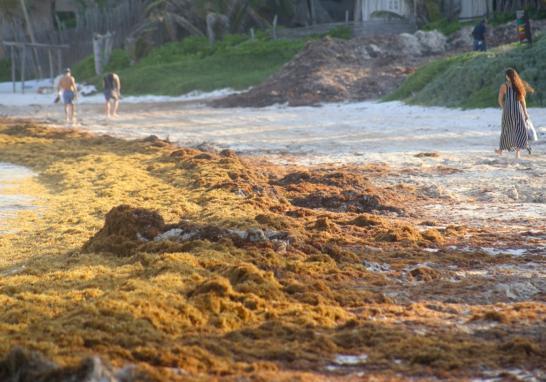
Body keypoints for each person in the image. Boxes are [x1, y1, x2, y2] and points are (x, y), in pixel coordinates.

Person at [496, 68, 534, 158]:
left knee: (506, 129)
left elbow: (500, 99)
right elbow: (522, 101)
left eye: (506, 75)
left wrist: (504, 107)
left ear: (507, 76)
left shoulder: (504, 86)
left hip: (507, 111)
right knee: (519, 130)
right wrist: (525, 112)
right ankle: (517, 153)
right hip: (518, 110)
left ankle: (500, 150)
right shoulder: (518, 85)